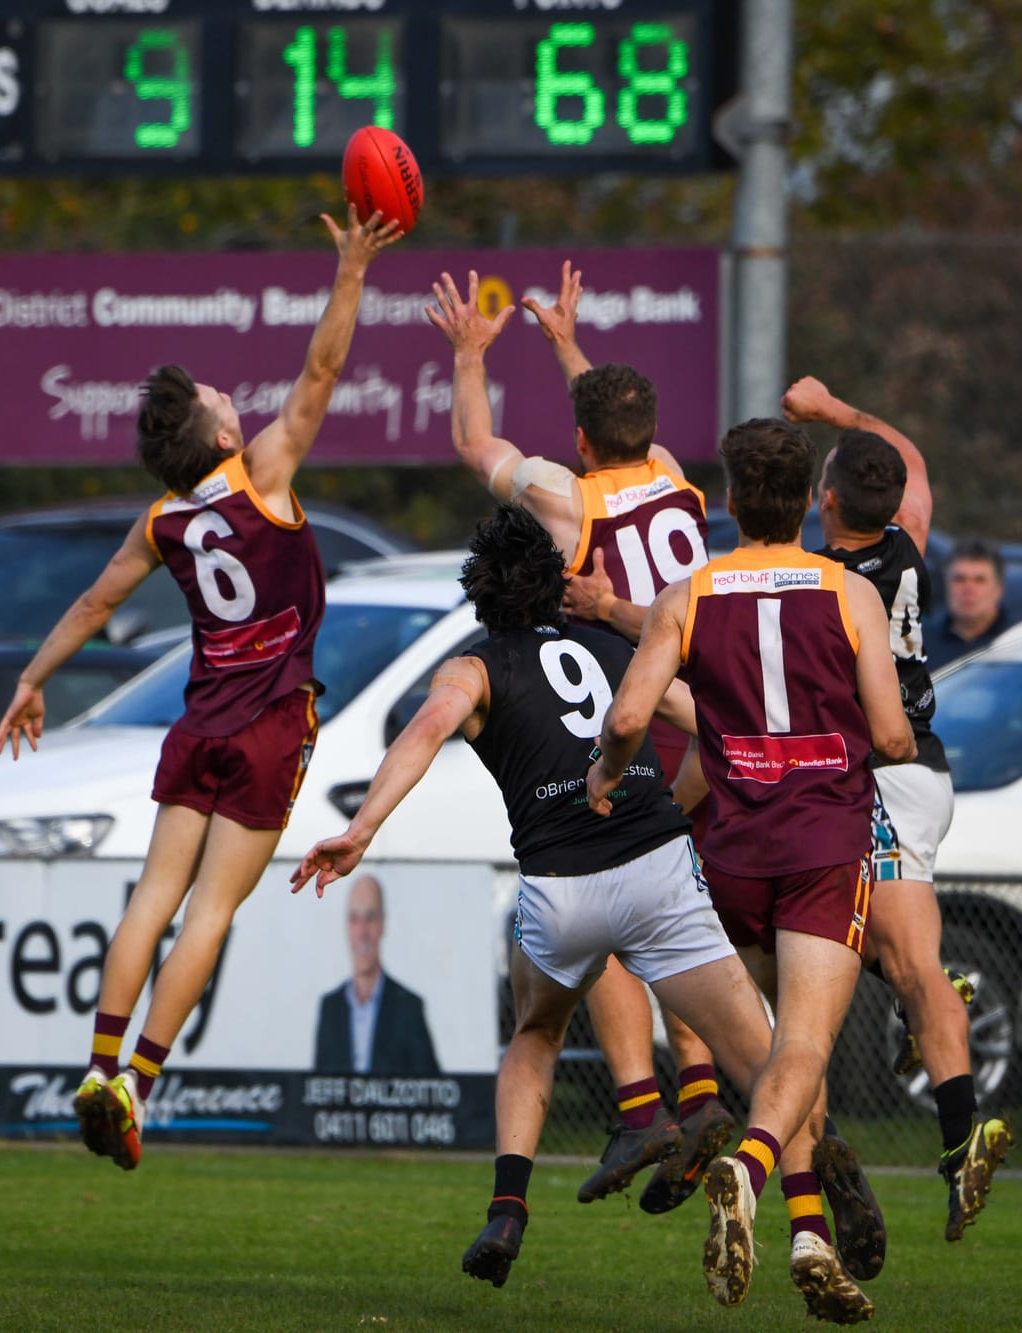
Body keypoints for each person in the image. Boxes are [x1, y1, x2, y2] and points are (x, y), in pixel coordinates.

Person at [0, 205, 402, 1172]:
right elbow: (322, 373)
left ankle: (97, 1064)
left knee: (151, 898)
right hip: (268, 723)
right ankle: (136, 1082)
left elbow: (95, 604)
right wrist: (350, 270)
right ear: (219, 428)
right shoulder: (264, 474)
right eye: (220, 393)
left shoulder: (163, 520)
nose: (231, 392)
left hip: (198, 721)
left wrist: (30, 678)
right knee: (210, 913)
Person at [290, 506, 781, 1298]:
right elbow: (709, 724)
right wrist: (708, 795)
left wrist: (361, 829)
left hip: (559, 887)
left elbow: (422, 733)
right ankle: (819, 1189)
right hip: (656, 864)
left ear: (478, 592)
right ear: (555, 585)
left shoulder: (474, 668)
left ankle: (508, 1208)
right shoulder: (614, 644)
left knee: (535, 1031)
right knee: (772, 1066)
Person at [587, 418, 915, 1320]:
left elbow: (627, 719)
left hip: (731, 853)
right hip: (821, 847)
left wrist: (606, 777)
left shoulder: (687, 593)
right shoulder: (850, 593)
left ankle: (810, 1235)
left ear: (731, 502)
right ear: (811, 501)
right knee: (804, 1050)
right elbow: (890, 734)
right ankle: (750, 1167)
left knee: (777, 1057)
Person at [428, 263, 729, 1214]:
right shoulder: (677, 478)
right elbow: (617, 428)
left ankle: (643, 1108)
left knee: (599, 900)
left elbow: (476, 442)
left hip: (634, 710)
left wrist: (472, 355)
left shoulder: (570, 498)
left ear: (579, 439)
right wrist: (566, 345)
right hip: (706, 713)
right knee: (676, 924)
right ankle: (701, 1100)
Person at [786, 375, 1015, 1245]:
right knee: (880, 948)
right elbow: (910, 458)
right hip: (924, 767)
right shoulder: (910, 543)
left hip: (881, 772)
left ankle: (961, 1142)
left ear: (827, 497)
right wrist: (837, 411)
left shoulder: (826, 582)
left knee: (911, 961)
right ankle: (935, 1019)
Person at [312, 874, 440, 1076]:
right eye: (355, 919)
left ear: (382, 924)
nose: (362, 931)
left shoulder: (409, 1008)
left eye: (370, 918)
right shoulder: (330, 1009)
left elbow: (430, 1087)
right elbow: (319, 1086)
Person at [925, 539, 1011, 669]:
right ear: (946, 585)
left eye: (979, 580)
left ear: (999, 589)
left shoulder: (1015, 641)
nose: (968, 589)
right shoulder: (921, 642)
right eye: (959, 579)